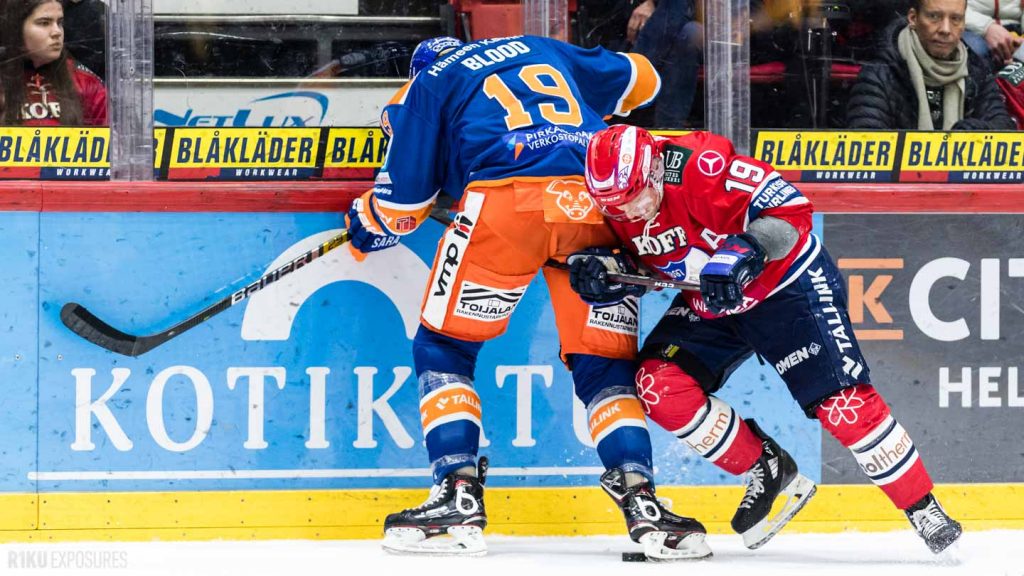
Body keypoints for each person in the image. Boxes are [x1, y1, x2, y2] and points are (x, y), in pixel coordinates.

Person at [345, 36, 711, 560]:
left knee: (444, 348)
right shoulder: (539, 47)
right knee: (604, 366)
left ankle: (456, 495)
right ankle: (644, 505)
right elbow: (645, 78)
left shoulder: (429, 81)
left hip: (505, 210)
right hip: (597, 206)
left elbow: (401, 209)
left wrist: (366, 222)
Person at [569, 124, 964, 554]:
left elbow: (792, 210)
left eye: (636, 199)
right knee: (658, 385)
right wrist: (607, 272)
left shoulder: (702, 167)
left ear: (656, 170)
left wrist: (746, 251)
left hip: (786, 287)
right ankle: (767, 468)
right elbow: (648, 261)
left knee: (845, 407)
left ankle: (923, 507)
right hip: (713, 303)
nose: (630, 214)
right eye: (615, 208)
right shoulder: (617, 203)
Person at [846, 0, 1014, 130]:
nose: (945, 29)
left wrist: (975, 134)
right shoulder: (881, 73)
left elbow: (1004, 127)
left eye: (955, 19)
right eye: (934, 17)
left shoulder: (976, 69)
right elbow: (866, 145)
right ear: (913, 18)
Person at [0, 0, 107, 126]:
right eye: (44, 23)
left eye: (59, 23)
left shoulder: (86, 83)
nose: (57, 32)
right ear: (17, 30)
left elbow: (111, 135)